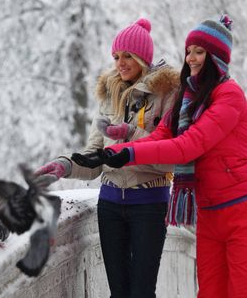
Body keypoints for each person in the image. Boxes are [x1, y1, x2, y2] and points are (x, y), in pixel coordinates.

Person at [71, 15, 247, 298]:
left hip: (239, 212)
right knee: (210, 293)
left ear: (218, 58)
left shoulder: (230, 96)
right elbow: (160, 136)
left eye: (199, 51)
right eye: (188, 51)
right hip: (209, 212)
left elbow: (186, 146)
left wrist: (127, 152)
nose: (190, 58)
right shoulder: (190, 98)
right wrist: (111, 153)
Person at [36, 18, 179, 298]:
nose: (120, 63)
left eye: (127, 56)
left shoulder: (167, 94)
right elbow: (96, 157)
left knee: (141, 293)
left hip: (149, 204)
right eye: (116, 56)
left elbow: (171, 157)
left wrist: (130, 135)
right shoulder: (108, 96)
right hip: (110, 205)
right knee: (119, 294)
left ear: (143, 57)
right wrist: (65, 165)